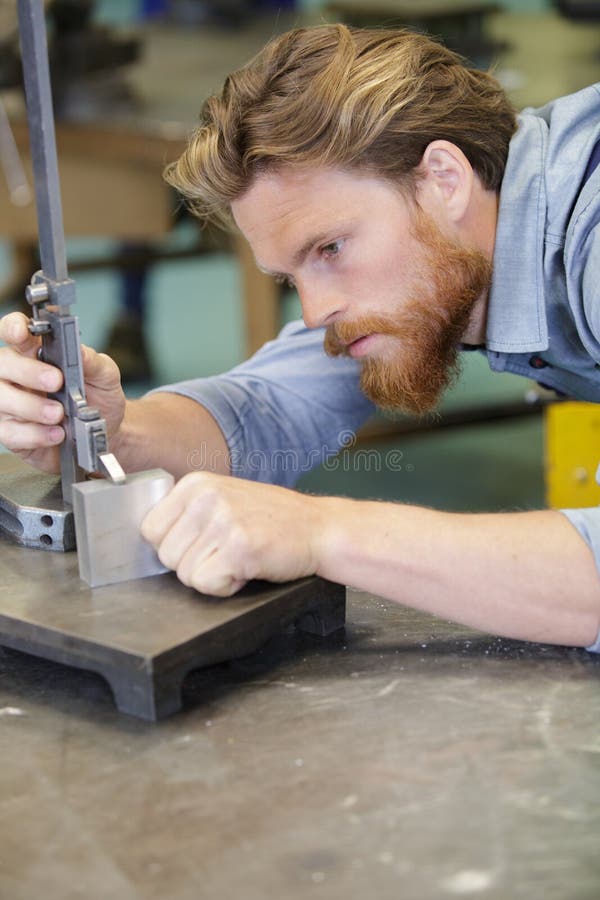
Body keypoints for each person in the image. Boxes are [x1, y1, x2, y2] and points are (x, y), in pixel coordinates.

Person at [1, 25, 599, 651]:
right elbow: (267, 409)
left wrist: (322, 533)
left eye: (331, 248)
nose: (315, 313)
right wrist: (114, 433)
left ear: (443, 180)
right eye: (291, 275)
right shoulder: (443, 254)